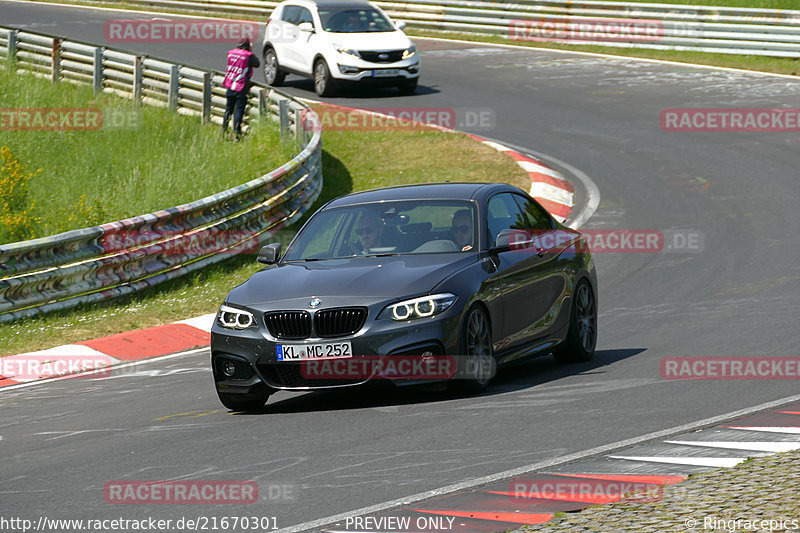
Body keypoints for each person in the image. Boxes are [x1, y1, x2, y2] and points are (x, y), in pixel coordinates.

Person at [222, 38, 260, 141]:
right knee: (239, 111)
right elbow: (257, 64)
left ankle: (223, 133)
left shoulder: (231, 53)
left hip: (230, 85)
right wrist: (250, 50)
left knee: (228, 110)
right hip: (240, 87)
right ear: (247, 46)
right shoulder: (247, 55)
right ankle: (237, 135)